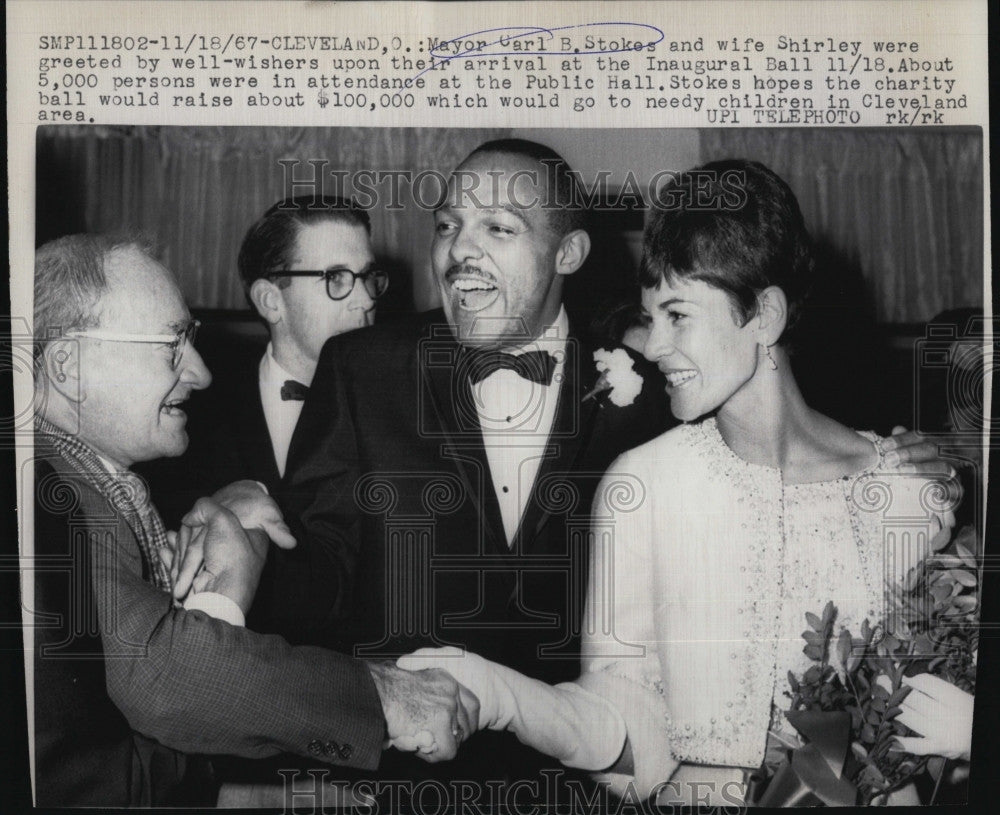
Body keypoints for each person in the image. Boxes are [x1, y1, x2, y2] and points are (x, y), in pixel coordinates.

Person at [397, 160, 966, 806]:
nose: (655, 344)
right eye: (649, 316)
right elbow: (625, 730)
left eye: (676, 314)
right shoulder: (642, 485)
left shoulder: (911, 488)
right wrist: (498, 693)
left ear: (765, 315)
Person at [281, 139, 671, 794]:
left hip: (593, 785)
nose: (461, 250)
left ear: (568, 253)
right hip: (406, 784)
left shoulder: (651, 392)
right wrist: (254, 540)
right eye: (447, 226)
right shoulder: (362, 368)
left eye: (498, 227)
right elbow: (316, 587)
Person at [30, 234, 473, 806]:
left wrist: (263, 793)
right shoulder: (50, 494)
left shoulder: (73, 479)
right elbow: (165, 684)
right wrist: (385, 695)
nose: (200, 373)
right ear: (68, 365)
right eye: (171, 345)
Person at [146, 196, 387, 638]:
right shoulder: (185, 418)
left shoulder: (398, 409)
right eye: (337, 278)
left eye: (369, 277)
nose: (365, 300)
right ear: (271, 301)